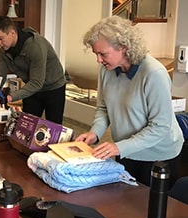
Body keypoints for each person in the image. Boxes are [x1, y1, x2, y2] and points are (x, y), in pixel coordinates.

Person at [75, 16, 184, 188]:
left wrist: (119, 147)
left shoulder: (154, 73)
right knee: (124, 203)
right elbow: (103, 108)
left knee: (149, 209)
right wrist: (94, 132)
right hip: (124, 149)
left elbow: (160, 127)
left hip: (157, 155)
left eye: (102, 54)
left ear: (123, 47)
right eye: (96, 53)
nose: (98, 60)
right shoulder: (107, 69)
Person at [0, 16, 66, 124]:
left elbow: (37, 82)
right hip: (31, 87)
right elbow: (0, 76)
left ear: (12, 33)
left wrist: (11, 97)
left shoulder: (35, 46)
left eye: (0, 38)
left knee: (53, 128)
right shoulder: (3, 50)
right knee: (26, 126)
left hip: (53, 87)